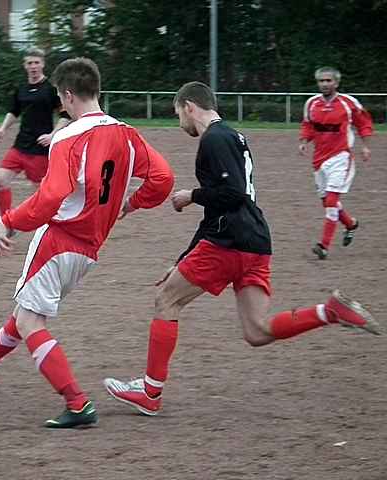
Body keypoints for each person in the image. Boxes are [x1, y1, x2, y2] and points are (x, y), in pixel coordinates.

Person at [104, 81, 380, 417]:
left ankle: (150, 392)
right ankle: (329, 312)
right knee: (256, 331)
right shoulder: (234, 136)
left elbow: (231, 194)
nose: (179, 123)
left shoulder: (214, 139)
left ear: (190, 106)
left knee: (167, 299)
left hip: (229, 241)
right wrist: (183, 259)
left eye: (178, 113)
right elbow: (221, 208)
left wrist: (191, 195)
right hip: (255, 240)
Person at [0, 57, 175, 428]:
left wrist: (9, 221)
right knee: (24, 315)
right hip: (88, 251)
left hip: (58, 240)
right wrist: (131, 204)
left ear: (68, 95)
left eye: (60, 97)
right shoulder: (128, 134)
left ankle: (77, 403)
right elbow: (163, 179)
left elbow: (52, 196)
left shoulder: (69, 135)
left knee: (28, 319)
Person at [0, 47, 72, 245]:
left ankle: (62, 229)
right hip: (20, 146)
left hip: (40, 150)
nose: (33, 66)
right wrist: (2, 129)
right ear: (24, 66)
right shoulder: (22, 89)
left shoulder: (51, 90)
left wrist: (53, 135)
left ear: (43, 64)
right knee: (1, 181)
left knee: (43, 195)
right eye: (29, 63)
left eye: (36, 62)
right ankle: (8, 226)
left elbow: (66, 114)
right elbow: (13, 112)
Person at [298, 66, 373, 260]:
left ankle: (324, 246)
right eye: (321, 81)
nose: (324, 84)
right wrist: (304, 141)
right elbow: (308, 125)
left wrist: (365, 145)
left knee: (331, 200)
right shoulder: (312, 103)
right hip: (319, 160)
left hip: (341, 157)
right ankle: (350, 224)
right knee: (327, 202)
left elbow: (363, 123)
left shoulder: (348, 103)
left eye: (328, 80)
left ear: (336, 83)